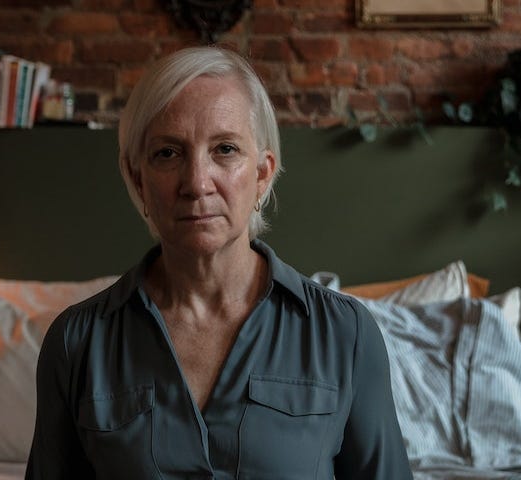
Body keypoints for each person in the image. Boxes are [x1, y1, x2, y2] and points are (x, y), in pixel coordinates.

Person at [26, 46, 411, 479]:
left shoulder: (345, 334)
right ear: (137, 178)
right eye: (168, 154)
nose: (196, 182)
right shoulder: (77, 343)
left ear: (263, 174)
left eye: (224, 149)